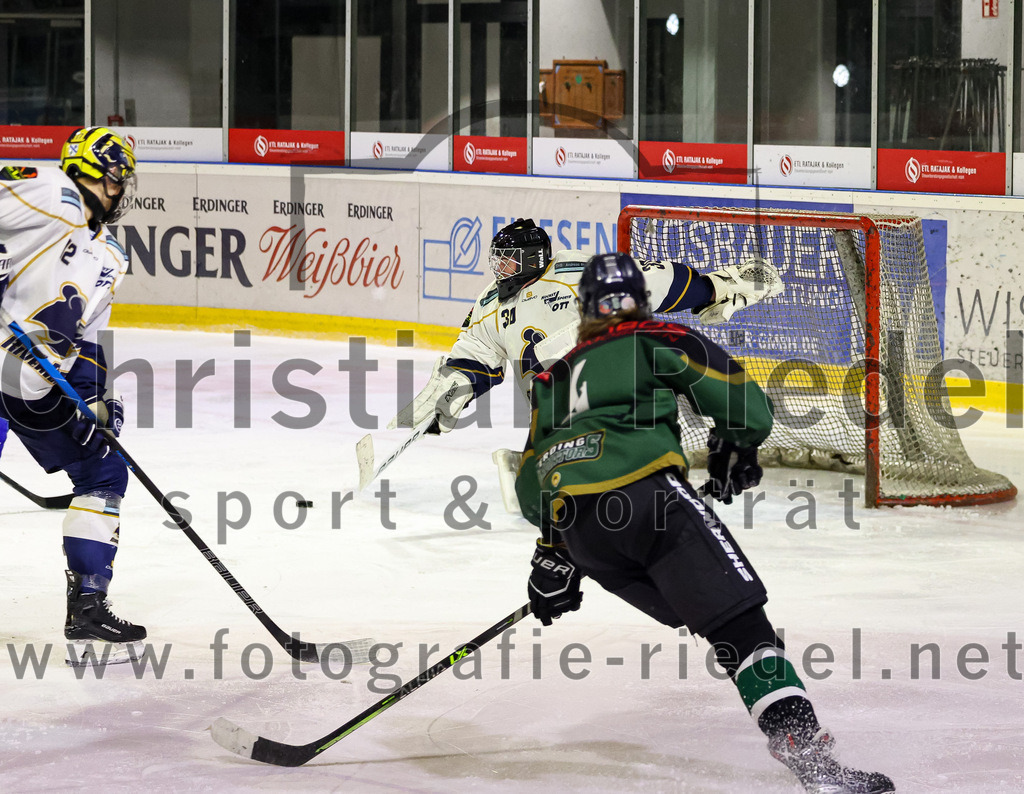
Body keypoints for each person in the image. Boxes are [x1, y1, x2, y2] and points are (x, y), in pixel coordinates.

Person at [513, 252, 894, 794]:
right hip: (651, 503)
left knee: (714, 624)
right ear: (641, 302)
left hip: (583, 532)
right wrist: (735, 445)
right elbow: (745, 404)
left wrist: (555, 553)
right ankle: (815, 766)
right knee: (740, 631)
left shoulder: (551, 378)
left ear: (584, 309)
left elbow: (532, 485)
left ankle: (800, 746)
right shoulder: (654, 337)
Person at [390, 217, 783, 434]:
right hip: (553, 416)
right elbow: (475, 354)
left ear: (530, 259)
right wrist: (450, 393)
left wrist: (711, 289)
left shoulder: (571, 271)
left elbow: (651, 280)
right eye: (497, 261)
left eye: (507, 261)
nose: (499, 270)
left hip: (616, 402)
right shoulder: (489, 303)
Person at [0, 126, 145, 653]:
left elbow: (84, 337)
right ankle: (85, 602)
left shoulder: (111, 254)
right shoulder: (48, 187)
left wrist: (95, 397)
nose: (120, 191)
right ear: (96, 171)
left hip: (28, 379)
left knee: (102, 467)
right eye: (116, 179)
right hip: (10, 365)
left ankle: (87, 605)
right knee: (100, 472)